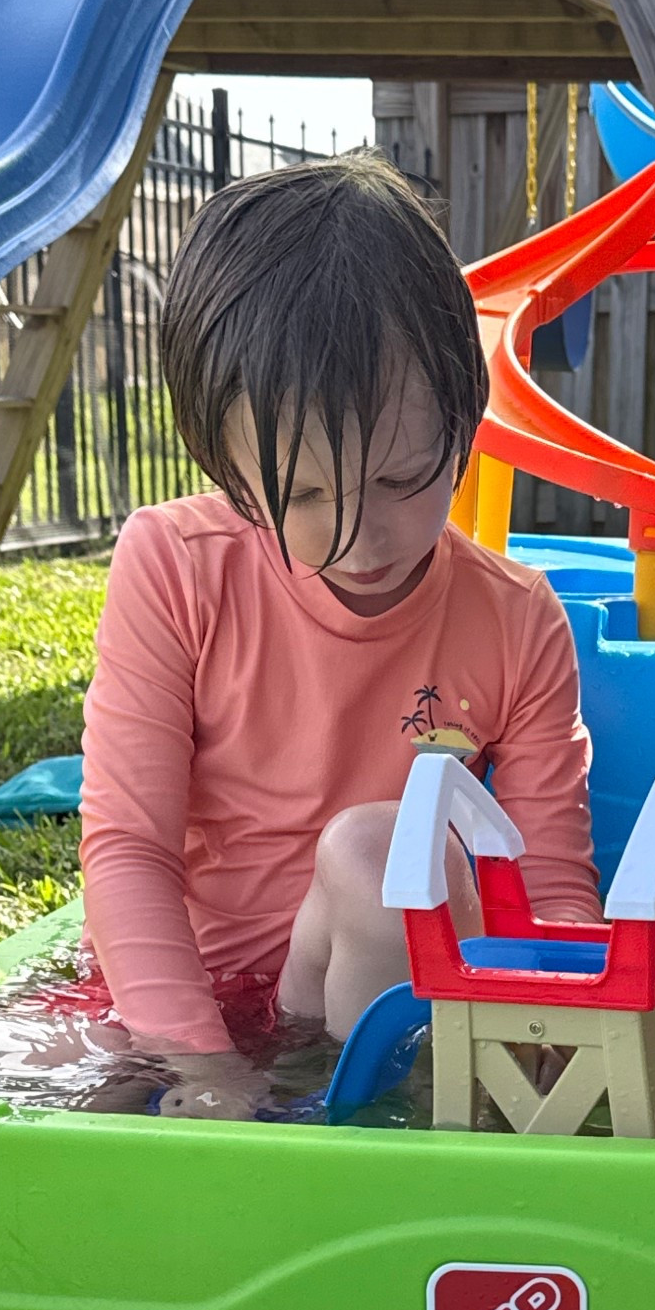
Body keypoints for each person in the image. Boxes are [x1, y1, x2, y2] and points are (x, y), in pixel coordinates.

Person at [75, 152, 599, 1117]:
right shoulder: (178, 566)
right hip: (207, 998)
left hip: (395, 999)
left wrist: (561, 1040)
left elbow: (550, 884)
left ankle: (363, 1114)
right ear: (223, 465)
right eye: (305, 496)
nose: (362, 538)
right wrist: (195, 1059)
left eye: (403, 480)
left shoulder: (518, 619)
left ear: (467, 423)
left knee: (376, 854)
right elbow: (129, 848)